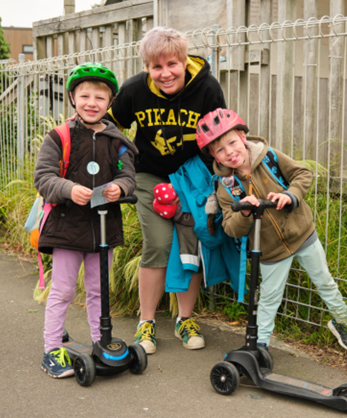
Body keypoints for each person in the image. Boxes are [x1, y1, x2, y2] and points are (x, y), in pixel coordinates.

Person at [107, 27, 226, 354]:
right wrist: (120, 165)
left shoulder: (207, 89)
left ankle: (184, 319)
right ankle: (147, 321)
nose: (165, 73)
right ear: (147, 67)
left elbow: (220, 133)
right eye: (156, 67)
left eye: (172, 64)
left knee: (192, 243)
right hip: (151, 175)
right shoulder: (133, 90)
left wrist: (223, 178)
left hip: (194, 177)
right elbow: (109, 126)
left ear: (184, 61)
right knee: (158, 244)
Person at [195, 108, 347, 351]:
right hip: (268, 250)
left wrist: (291, 195)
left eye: (232, 143)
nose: (230, 152)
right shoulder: (226, 187)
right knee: (269, 299)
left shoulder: (269, 157)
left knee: (325, 281)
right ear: (213, 156)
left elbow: (302, 173)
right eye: (220, 150)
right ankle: (260, 347)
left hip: (302, 235)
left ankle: (343, 322)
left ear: (242, 137)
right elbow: (230, 229)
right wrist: (245, 213)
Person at [34, 62, 138, 378]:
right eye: (85, 96)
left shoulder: (117, 141)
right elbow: (43, 178)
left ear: (109, 103)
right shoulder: (59, 136)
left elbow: (128, 175)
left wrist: (120, 187)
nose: (92, 103)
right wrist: (68, 188)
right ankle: (52, 349)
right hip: (67, 227)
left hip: (103, 228)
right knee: (63, 290)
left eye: (100, 98)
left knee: (99, 290)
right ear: (73, 98)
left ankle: (100, 341)